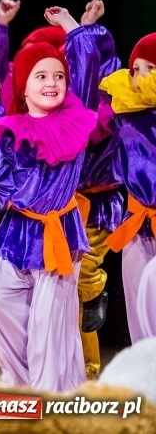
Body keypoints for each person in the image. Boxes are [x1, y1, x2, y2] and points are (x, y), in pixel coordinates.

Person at [0, 0, 123, 379]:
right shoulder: (11, 135)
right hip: (18, 233)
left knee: (49, 326)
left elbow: (87, 68)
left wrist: (73, 26)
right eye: (41, 76)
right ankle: (25, 380)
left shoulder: (76, 120)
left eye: (58, 76)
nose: (52, 83)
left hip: (57, 234)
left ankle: (49, 398)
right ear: (24, 87)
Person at [100, 32, 156, 344]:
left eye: (150, 68)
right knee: (138, 308)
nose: (140, 77)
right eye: (136, 69)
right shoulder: (124, 112)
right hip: (136, 224)